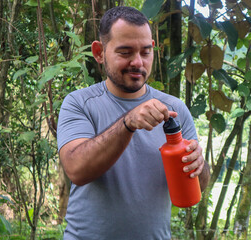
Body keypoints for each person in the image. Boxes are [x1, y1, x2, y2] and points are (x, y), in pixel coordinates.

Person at [57, 6, 210, 240]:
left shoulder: (174, 109)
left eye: (145, 52)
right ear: (99, 52)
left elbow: (198, 185)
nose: (137, 62)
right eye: (125, 52)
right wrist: (127, 123)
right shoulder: (79, 103)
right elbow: (76, 169)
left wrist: (199, 164)